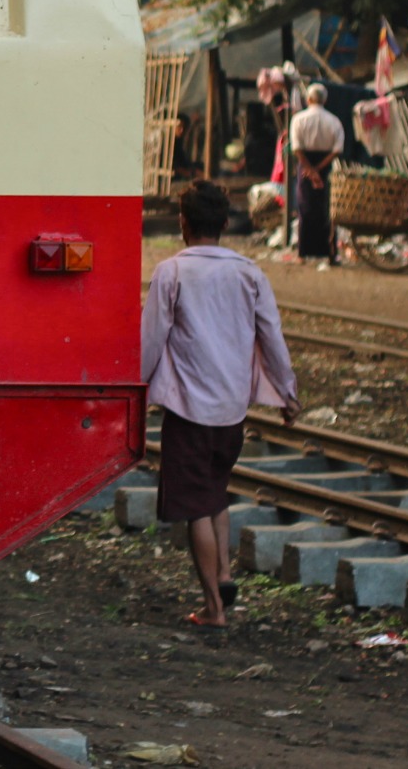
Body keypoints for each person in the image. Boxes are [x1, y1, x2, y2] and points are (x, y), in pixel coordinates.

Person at [143, 180, 301, 629]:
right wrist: (287, 395)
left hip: (189, 408)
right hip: (232, 410)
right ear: (226, 224)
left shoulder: (171, 272)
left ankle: (213, 608)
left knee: (195, 507)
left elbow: (151, 339)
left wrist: (135, 387)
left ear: (182, 223)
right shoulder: (250, 272)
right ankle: (227, 573)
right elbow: (272, 338)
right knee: (215, 494)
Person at [288, 82, 345, 262]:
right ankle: (329, 254)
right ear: (325, 100)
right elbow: (337, 150)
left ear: (309, 99)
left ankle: (302, 254)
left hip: (305, 166)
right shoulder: (334, 121)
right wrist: (318, 170)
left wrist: (310, 170)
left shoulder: (298, 119)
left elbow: (297, 149)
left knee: (305, 208)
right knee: (327, 209)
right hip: (325, 167)